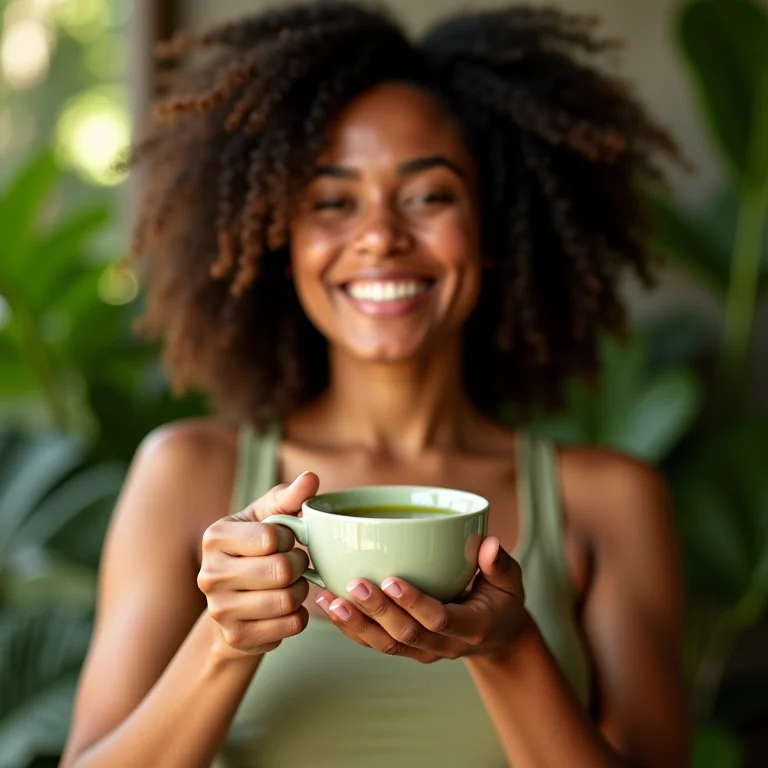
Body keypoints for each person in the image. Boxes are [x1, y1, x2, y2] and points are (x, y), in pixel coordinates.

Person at [61, 2, 691, 766]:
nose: (380, 235)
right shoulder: (188, 476)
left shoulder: (609, 501)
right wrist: (225, 644)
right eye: (332, 202)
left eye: (428, 196)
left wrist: (509, 648)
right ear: (280, 243)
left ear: (490, 232)